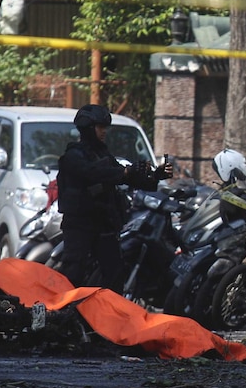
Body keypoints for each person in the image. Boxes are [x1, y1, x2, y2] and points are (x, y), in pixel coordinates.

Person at [57, 104, 172, 291]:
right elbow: (96, 173)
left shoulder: (102, 153)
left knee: (114, 273)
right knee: (73, 272)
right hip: (80, 225)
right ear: (88, 128)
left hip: (103, 224)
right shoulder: (73, 156)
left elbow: (122, 175)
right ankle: (61, 313)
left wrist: (154, 176)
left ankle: (109, 316)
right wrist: (125, 172)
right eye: (100, 127)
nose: (104, 132)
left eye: (105, 128)